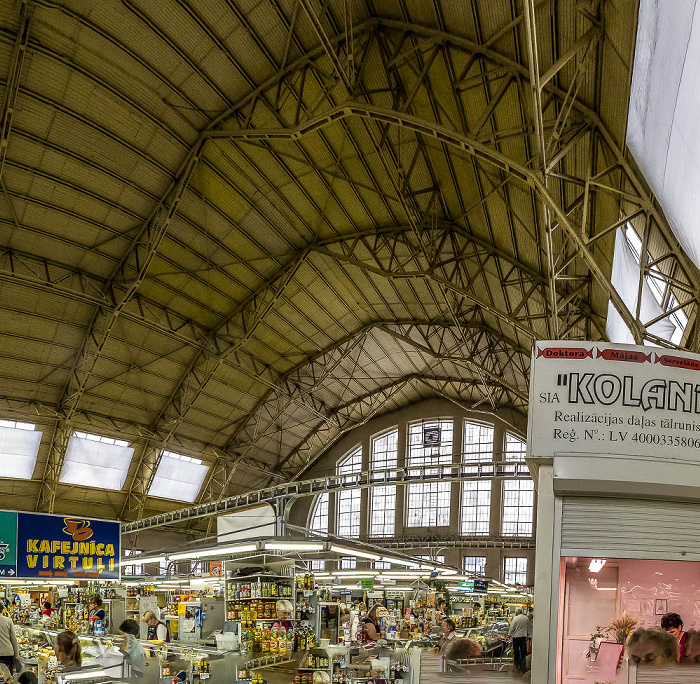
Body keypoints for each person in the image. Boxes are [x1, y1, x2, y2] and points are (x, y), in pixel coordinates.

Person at [508, 609, 530, 673]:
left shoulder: (515, 618)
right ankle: (523, 666)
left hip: (516, 637)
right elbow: (528, 627)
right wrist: (528, 634)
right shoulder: (526, 618)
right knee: (523, 652)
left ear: (517, 613)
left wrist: (509, 634)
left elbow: (512, 627)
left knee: (516, 651)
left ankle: (516, 666)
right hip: (523, 637)